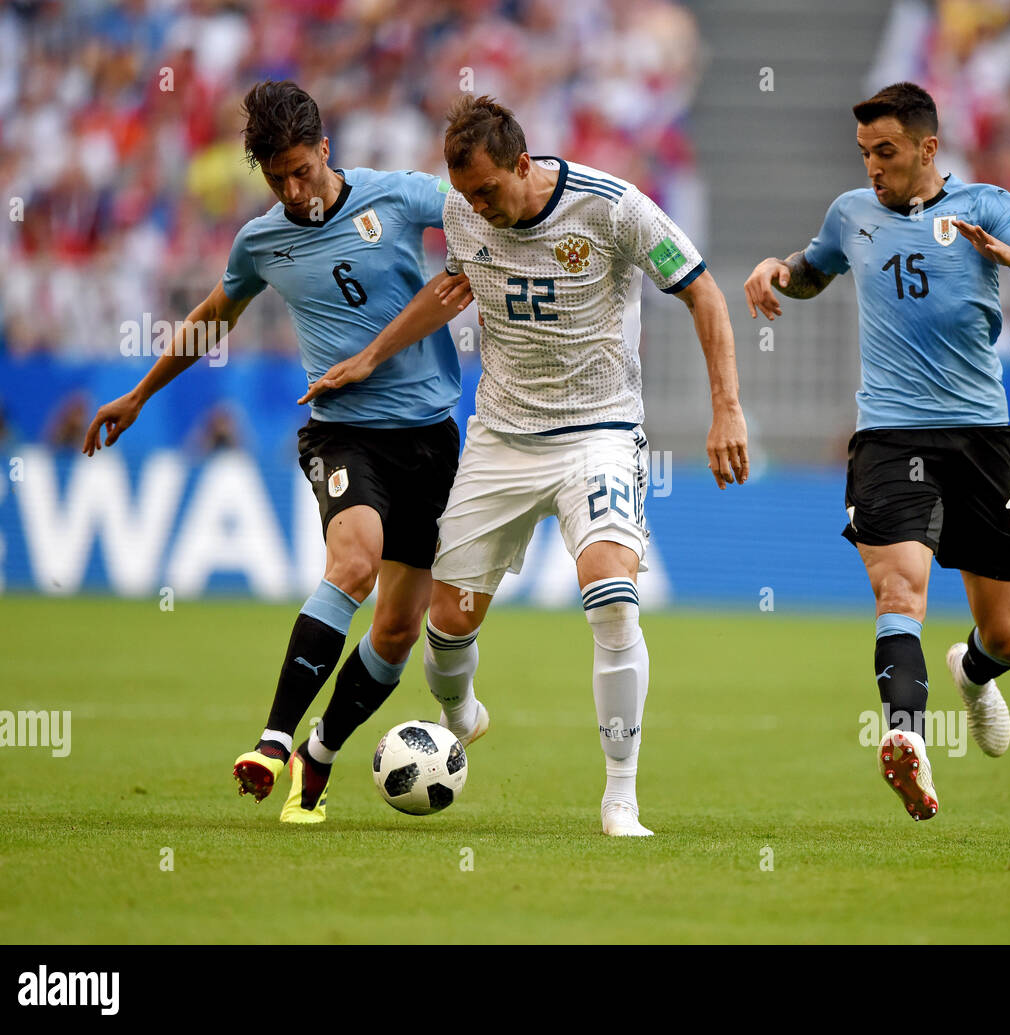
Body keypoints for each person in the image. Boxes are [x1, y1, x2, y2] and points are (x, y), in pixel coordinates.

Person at [301, 95, 749, 836]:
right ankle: (460, 714)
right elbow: (450, 291)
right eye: (464, 194)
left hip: (598, 432)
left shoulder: (614, 209)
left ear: (522, 163)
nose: (475, 206)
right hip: (502, 436)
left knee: (610, 595)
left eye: (486, 189)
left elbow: (702, 290)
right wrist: (370, 357)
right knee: (446, 621)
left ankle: (620, 797)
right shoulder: (468, 214)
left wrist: (726, 407)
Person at [82, 80, 472, 824]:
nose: (294, 190)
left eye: (302, 169)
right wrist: (139, 394)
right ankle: (271, 737)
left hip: (429, 435)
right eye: (277, 177)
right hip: (341, 428)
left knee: (396, 629)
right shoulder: (262, 241)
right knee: (352, 561)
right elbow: (212, 315)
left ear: (326, 149)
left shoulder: (401, 197)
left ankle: (318, 752)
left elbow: (482, 224)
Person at [744, 82, 1010, 821]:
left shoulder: (988, 206)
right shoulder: (851, 214)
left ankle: (976, 673)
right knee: (900, 592)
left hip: (982, 436)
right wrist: (777, 269)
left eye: (885, 152)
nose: (872, 166)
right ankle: (906, 738)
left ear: (928, 148)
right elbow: (812, 271)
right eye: (864, 153)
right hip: (890, 433)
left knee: (1008, 636)